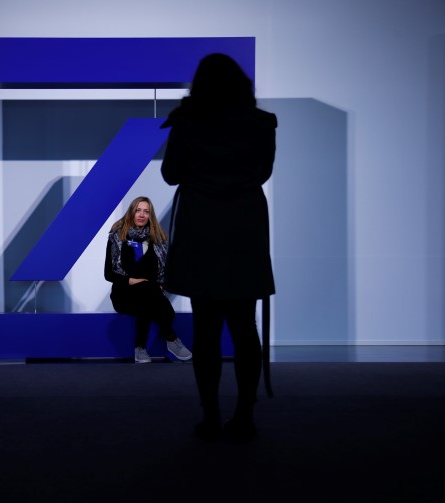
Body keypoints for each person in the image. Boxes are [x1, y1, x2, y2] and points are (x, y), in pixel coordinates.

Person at [160, 53, 277, 442]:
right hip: (244, 226)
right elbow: (262, 173)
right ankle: (245, 415)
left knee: (206, 328)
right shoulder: (262, 123)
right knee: (244, 325)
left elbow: (171, 174)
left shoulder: (188, 122)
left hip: (201, 227)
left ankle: (210, 416)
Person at [104, 196, 193, 363]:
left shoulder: (158, 239)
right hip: (124, 294)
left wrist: (159, 285)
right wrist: (134, 281)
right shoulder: (117, 237)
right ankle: (172, 339)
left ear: (150, 215)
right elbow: (109, 274)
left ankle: (140, 348)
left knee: (146, 301)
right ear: (131, 212)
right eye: (138, 210)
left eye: (146, 211)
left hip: (151, 293)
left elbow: (165, 272)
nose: (142, 214)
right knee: (155, 299)